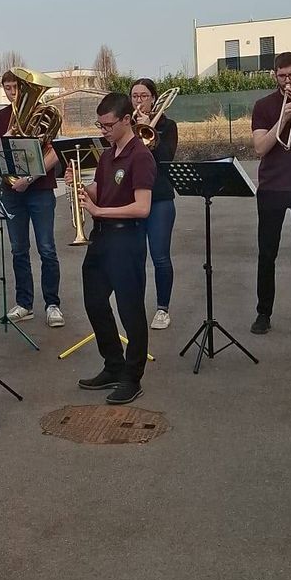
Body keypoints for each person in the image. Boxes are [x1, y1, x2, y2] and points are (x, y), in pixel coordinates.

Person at [67, 92, 155, 405]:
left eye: (108, 125)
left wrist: (99, 210)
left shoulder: (140, 156)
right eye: (100, 125)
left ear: (127, 120)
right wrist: (79, 185)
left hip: (126, 239)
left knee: (130, 310)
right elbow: (100, 190)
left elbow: (142, 207)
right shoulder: (107, 156)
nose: (103, 130)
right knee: (94, 302)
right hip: (101, 238)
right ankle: (113, 365)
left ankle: (132, 377)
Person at [250, 51, 291, 338]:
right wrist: (284, 118)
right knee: (267, 254)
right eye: (282, 76)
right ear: (274, 75)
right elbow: (260, 148)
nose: (287, 81)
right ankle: (263, 313)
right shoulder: (263, 105)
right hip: (272, 188)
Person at [0, 70, 64, 328]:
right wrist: (9, 134)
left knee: (47, 248)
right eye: (8, 88)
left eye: (17, 87)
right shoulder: (1, 117)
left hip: (40, 189)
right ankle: (24, 303)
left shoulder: (45, 114)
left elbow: (55, 153)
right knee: (18, 249)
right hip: (11, 191)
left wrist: (29, 178)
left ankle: (52, 304)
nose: (13, 92)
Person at [130, 78, 178, 330]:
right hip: (133, 198)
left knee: (160, 256)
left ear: (154, 98)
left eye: (144, 96)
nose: (139, 101)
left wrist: (150, 130)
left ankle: (162, 309)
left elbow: (166, 158)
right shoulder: (127, 125)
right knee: (135, 256)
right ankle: (135, 305)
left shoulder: (168, 126)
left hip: (160, 197)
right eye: (135, 96)